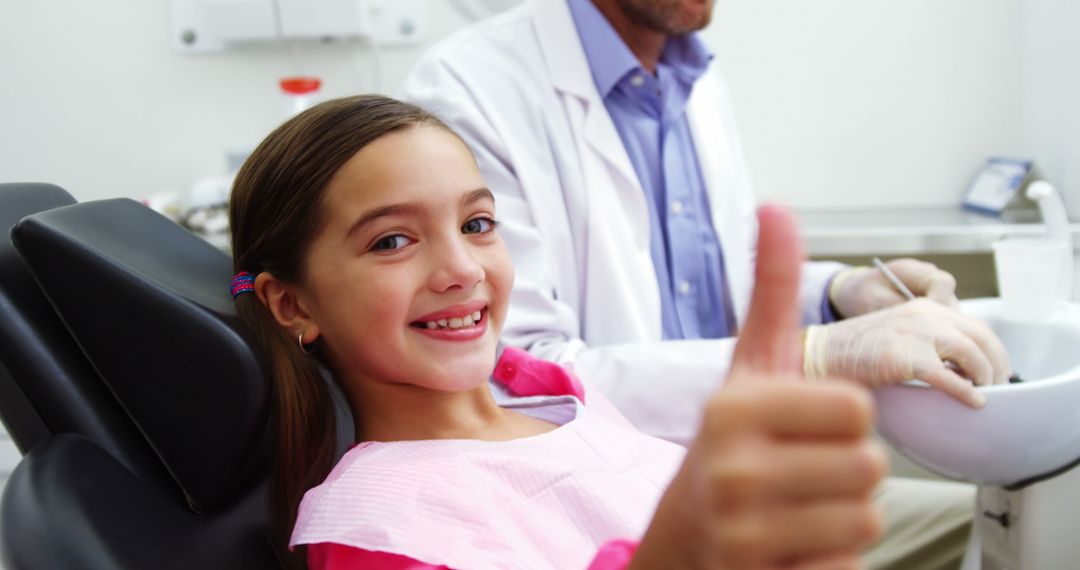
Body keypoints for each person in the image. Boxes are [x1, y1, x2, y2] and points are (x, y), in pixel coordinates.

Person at [398, 1, 1011, 567]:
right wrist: (819, 354)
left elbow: (723, 269)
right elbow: (519, 374)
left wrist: (838, 293)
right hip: (607, 502)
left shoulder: (692, 72)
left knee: (1005, 527)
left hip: (756, 467)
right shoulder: (471, 88)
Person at [229, 94, 887, 569]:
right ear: (292, 305)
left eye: (477, 224)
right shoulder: (379, 529)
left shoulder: (552, 397)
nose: (461, 269)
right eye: (393, 241)